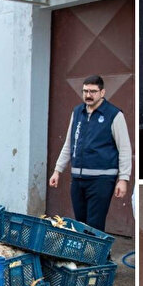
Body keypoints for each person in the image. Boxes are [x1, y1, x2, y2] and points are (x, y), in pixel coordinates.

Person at [49, 75, 131, 232]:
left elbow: (125, 149)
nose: (88, 95)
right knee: (80, 223)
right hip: (78, 179)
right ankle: (84, 255)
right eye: (85, 91)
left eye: (93, 91)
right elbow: (69, 143)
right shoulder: (77, 112)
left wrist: (123, 179)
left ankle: (99, 255)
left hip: (102, 179)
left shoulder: (114, 115)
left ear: (102, 92)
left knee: (94, 224)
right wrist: (57, 171)